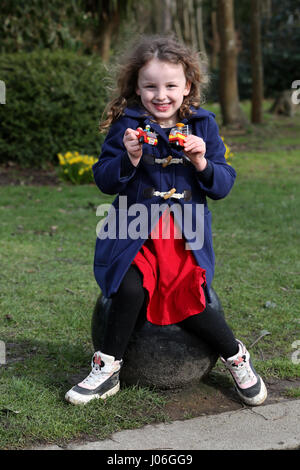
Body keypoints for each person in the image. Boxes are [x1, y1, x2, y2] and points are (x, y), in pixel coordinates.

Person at [65, 36, 267, 407]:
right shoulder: (127, 125)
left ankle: (236, 356)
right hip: (132, 231)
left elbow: (223, 185)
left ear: (187, 86)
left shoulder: (202, 125)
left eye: (171, 85)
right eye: (150, 86)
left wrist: (202, 162)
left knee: (190, 296)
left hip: (182, 234)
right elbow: (103, 180)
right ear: (137, 88)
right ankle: (107, 369)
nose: (161, 95)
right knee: (129, 290)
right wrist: (129, 158)